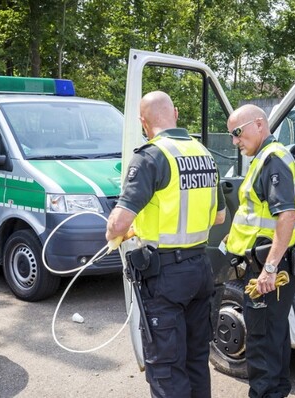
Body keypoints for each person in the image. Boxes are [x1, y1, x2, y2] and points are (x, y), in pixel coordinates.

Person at [106, 90, 226, 398]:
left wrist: (122, 231)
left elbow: (116, 225)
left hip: (166, 278)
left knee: (166, 367)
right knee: (196, 360)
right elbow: (219, 217)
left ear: (143, 122)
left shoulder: (151, 156)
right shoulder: (203, 154)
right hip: (200, 269)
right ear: (174, 114)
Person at [225, 104, 295, 398]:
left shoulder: (272, 160)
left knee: (261, 341)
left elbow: (287, 215)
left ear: (259, 124)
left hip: (268, 267)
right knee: (274, 336)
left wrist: (269, 268)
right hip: (268, 262)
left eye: (237, 133)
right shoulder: (268, 158)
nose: (235, 141)